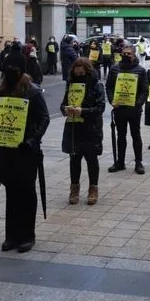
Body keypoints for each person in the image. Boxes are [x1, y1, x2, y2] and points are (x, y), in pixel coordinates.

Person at [0, 47, 50, 252]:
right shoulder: (0, 92)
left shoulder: (32, 91)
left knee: (26, 192)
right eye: (8, 69)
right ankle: (11, 235)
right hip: (6, 151)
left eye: (15, 69)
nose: (11, 73)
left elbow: (44, 118)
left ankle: (27, 235)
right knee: (11, 193)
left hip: (26, 151)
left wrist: (32, 140)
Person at [61, 58, 105, 205]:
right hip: (74, 127)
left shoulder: (97, 85)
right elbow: (63, 104)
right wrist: (65, 110)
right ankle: (74, 189)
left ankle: (93, 189)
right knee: (74, 159)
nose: (79, 73)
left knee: (91, 159)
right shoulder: (71, 84)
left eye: (82, 71)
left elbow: (100, 108)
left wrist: (83, 111)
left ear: (87, 70)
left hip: (91, 128)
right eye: (76, 71)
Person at [105, 42, 149, 174]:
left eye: (129, 53)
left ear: (134, 55)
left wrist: (139, 103)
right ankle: (120, 162)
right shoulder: (114, 69)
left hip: (134, 109)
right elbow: (109, 87)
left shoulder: (141, 70)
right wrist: (112, 100)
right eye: (124, 53)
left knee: (136, 135)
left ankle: (138, 162)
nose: (126, 55)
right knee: (121, 136)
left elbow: (144, 90)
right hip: (119, 108)